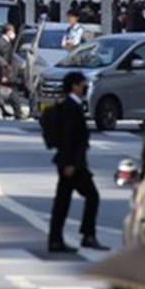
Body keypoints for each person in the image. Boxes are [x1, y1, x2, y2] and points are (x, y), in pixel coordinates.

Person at [47, 72, 107, 253]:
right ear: (74, 86)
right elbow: (68, 137)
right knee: (92, 196)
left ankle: (56, 240)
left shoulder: (71, 105)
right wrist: (69, 163)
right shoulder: (70, 107)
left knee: (62, 201)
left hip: (70, 162)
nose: (85, 87)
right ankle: (87, 235)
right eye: (83, 84)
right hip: (72, 163)